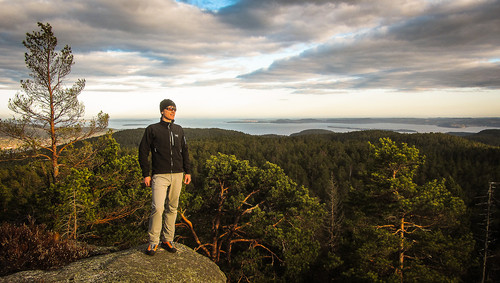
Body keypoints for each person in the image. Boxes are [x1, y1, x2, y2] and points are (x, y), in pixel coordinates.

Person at [138, 99, 192, 256]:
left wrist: (187, 171)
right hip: (159, 175)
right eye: (169, 108)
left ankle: (168, 239)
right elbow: (143, 151)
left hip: (177, 174)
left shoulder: (179, 130)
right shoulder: (152, 129)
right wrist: (145, 174)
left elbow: (185, 151)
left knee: (173, 208)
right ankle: (153, 242)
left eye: (174, 109)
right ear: (162, 111)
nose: (172, 111)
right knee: (158, 208)